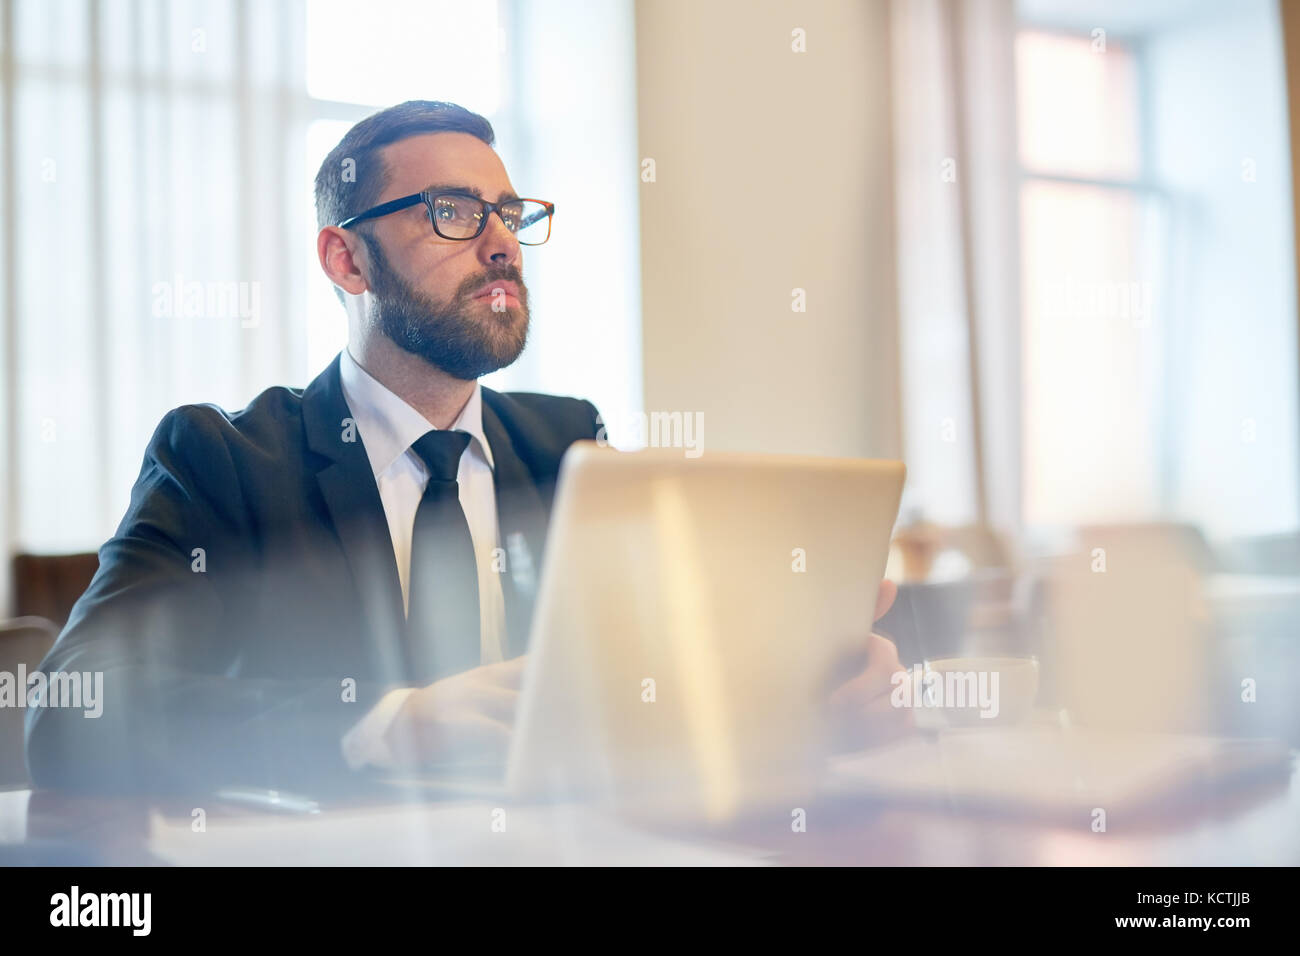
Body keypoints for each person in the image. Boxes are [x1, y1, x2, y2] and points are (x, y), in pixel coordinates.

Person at [25, 101, 906, 795]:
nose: (499, 244)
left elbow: (657, 685)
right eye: (451, 212)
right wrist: (385, 729)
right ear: (346, 260)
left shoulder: (570, 446)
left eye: (509, 213)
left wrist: (806, 686)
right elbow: (76, 713)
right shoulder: (223, 457)